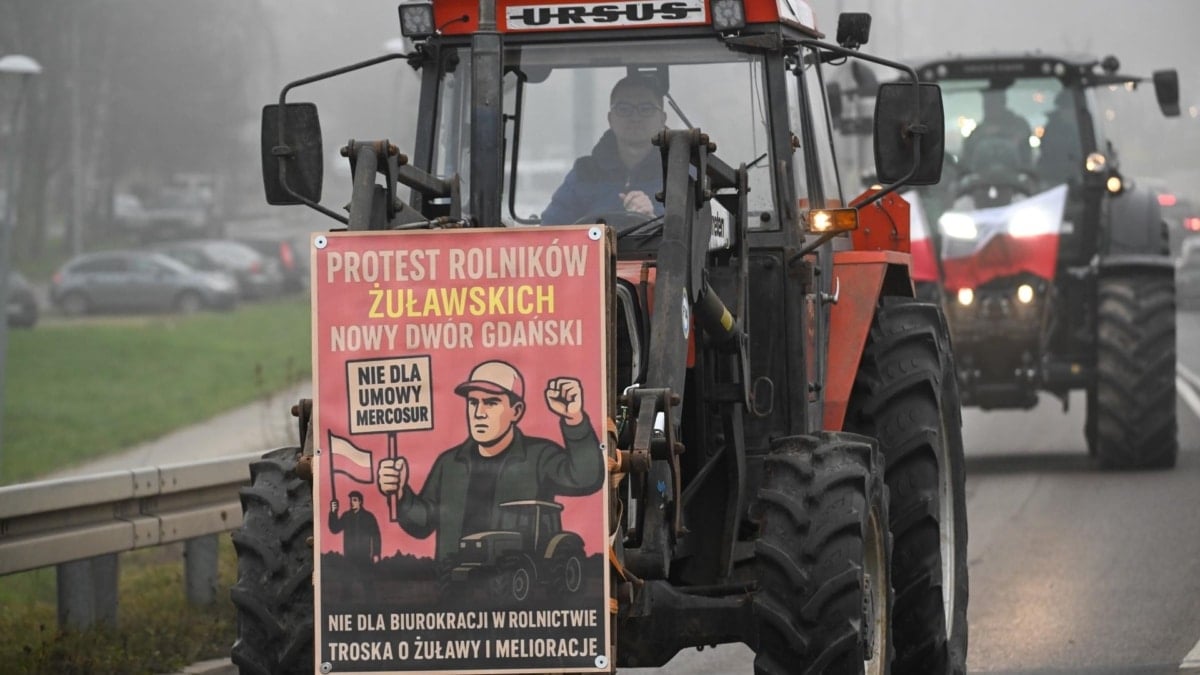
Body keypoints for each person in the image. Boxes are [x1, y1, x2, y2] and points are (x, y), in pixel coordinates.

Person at [376, 360, 605, 561]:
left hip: (521, 594)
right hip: (454, 588)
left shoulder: (539, 456)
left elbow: (586, 478)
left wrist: (574, 418)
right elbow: (422, 523)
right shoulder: (449, 463)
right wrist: (400, 492)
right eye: (473, 403)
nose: (479, 413)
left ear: (516, 411)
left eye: (491, 403)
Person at [541, 74, 667, 225]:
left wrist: (653, 220)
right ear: (610, 119)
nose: (635, 117)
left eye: (646, 109)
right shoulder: (585, 174)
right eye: (624, 109)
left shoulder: (682, 175)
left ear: (662, 119)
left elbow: (695, 236)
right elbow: (550, 231)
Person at [961, 87, 1034, 172]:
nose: (988, 107)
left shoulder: (1019, 125)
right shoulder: (979, 131)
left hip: (1017, 177)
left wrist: (1001, 133)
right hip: (982, 177)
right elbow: (967, 155)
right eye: (987, 104)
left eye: (992, 103)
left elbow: (1023, 138)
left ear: (1002, 103)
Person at [329, 491, 381, 596]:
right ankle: (344, 607)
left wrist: (376, 553)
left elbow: (376, 535)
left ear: (360, 502)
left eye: (355, 500)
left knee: (368, 583)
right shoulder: (346, 516)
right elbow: (335, 528)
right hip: (349, 556)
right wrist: (333, 512)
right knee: (346, 584)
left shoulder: (368, 517)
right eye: (351, 500)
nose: (352, 502)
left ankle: (373, 608)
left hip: (364, 556)